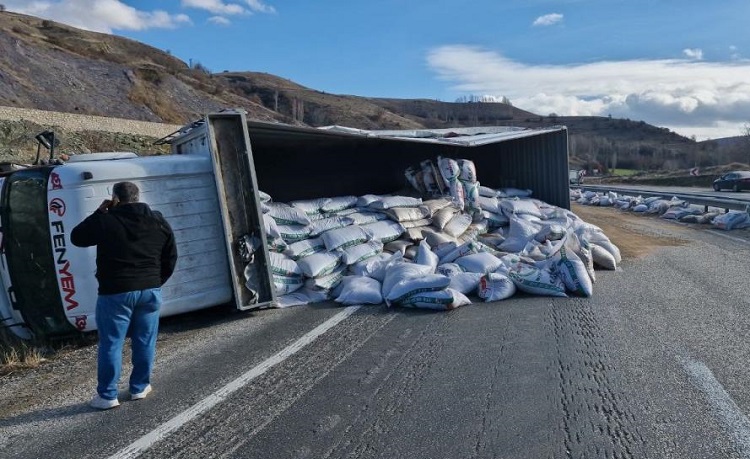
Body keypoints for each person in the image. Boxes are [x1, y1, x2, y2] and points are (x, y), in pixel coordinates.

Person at [71, 181, 178, 410]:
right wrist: (156, 281)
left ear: (115, 199)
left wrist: (99, 212)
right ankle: (139, 387)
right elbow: (171, 255)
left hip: (116, 292)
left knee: (112, 343)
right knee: (145, 340)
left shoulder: (106, 220)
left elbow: (77, 237)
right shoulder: (158, 220)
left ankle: (108, 395)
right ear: (138, 197)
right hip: (150, 290)